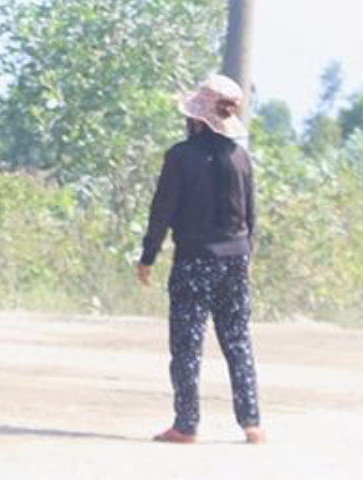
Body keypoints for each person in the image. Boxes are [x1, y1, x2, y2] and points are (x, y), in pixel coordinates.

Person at [137, 74, 265, 446]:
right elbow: (250, 215)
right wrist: (246, 256)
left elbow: (162, 210)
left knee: (187, 344)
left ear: (196, 117)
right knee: (238, 340)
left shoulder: (180, 156)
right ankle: (252, 423)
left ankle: (186, 424)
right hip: (236, 258)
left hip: (195, 260)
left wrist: (148, 255)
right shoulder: (240, 157)